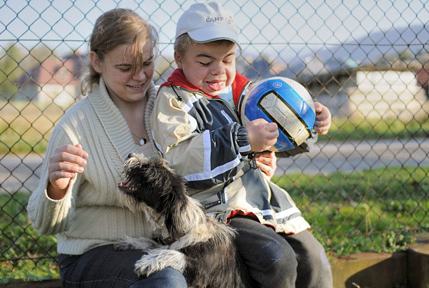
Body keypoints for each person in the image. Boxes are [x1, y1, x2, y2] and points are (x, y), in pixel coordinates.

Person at [150, 2, 333, 288]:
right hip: (215, 207)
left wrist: (308, 125)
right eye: (204, 61)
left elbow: (278, 134)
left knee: (314, 257)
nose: (218, 70)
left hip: (260, 202)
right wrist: (243, 141)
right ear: (178, 58)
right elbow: (179, 160)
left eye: (228, 59)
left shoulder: (248, 92)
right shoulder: (174, 100)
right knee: (277, 258)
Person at [27, 8, 189, 288]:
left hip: (164, 248)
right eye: (125, 68)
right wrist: (56, 188)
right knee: (166, 281)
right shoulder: (76, 125)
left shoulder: (173, 107)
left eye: (147, 63)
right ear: (96, 61)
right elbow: (45, 225)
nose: (140, 76)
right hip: (93, 253)